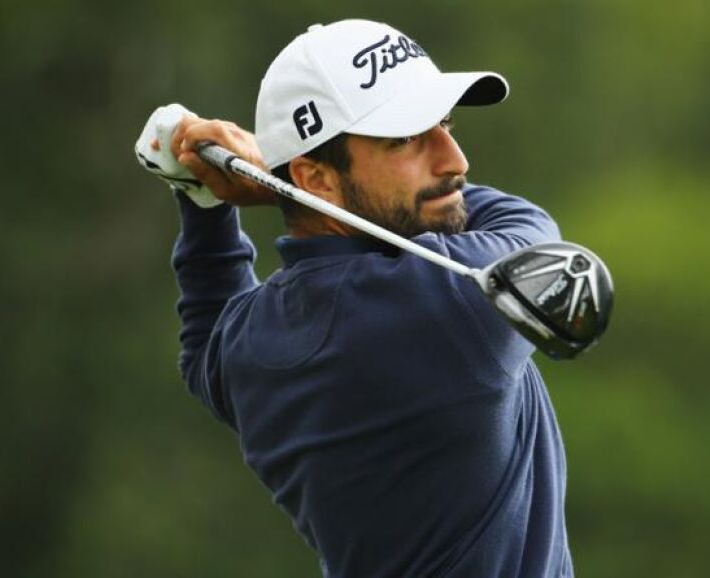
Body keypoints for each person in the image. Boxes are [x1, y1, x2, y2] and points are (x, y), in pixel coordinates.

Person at [165, 19, 573, 577]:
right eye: (405, 138)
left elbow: (204, 347)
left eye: (444, 124)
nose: (455, 160)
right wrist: (262, 187)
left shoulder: (251, 342)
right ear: (317, 179)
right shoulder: (446, 302)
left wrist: (206, 204)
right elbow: (534, 234)